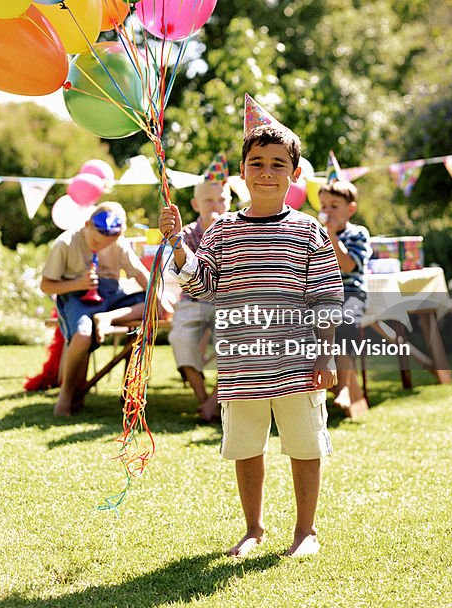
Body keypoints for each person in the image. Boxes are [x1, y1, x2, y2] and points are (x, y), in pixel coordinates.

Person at [159, 95, 344, 558]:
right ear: (242, 172)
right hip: (241, 363)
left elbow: (325, 295)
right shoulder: (221, 231)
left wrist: (327, 353)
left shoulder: (308, 230)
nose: (266, 171)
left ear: (294, 174)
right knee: (246, 446)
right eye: (256, 162)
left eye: (278, 164)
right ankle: (254, 528)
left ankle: (306, 532)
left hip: (298, 362)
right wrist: (179, 247)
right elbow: (202, 286)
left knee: (304, 444)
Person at [41, 201, 155, 418]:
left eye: (106, 244)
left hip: (111, 295)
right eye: (96, 241)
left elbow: (140, 274)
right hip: (76, 296)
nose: (100, 247)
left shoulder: (117, 242)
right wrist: (78, 284)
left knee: (150, 303)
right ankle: (65, 395)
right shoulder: (65, 243)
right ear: (87, 224)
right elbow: (46, 285)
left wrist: (157, 298)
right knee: (83, 336)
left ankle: (107, 318)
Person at [169, 174, 232, 423]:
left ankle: (214, 401)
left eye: (221, 200)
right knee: (180, 337)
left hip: (227, 304)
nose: (215, 206)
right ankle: (203, 397)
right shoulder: (186, 234)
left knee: (234, 341)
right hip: (193, 302)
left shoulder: (238, 230)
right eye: (208, 200)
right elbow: (185, 272)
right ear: (196, 205)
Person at [318, 180, 372, 418]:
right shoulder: (317, 235)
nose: (327, 211)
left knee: (345, 323)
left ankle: (345, 387)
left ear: (350, 209)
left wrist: (331, 236)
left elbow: (349, 265)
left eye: (334, 205)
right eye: (323, 205)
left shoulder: (357, 234)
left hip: (350, 294)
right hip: (324, 296)